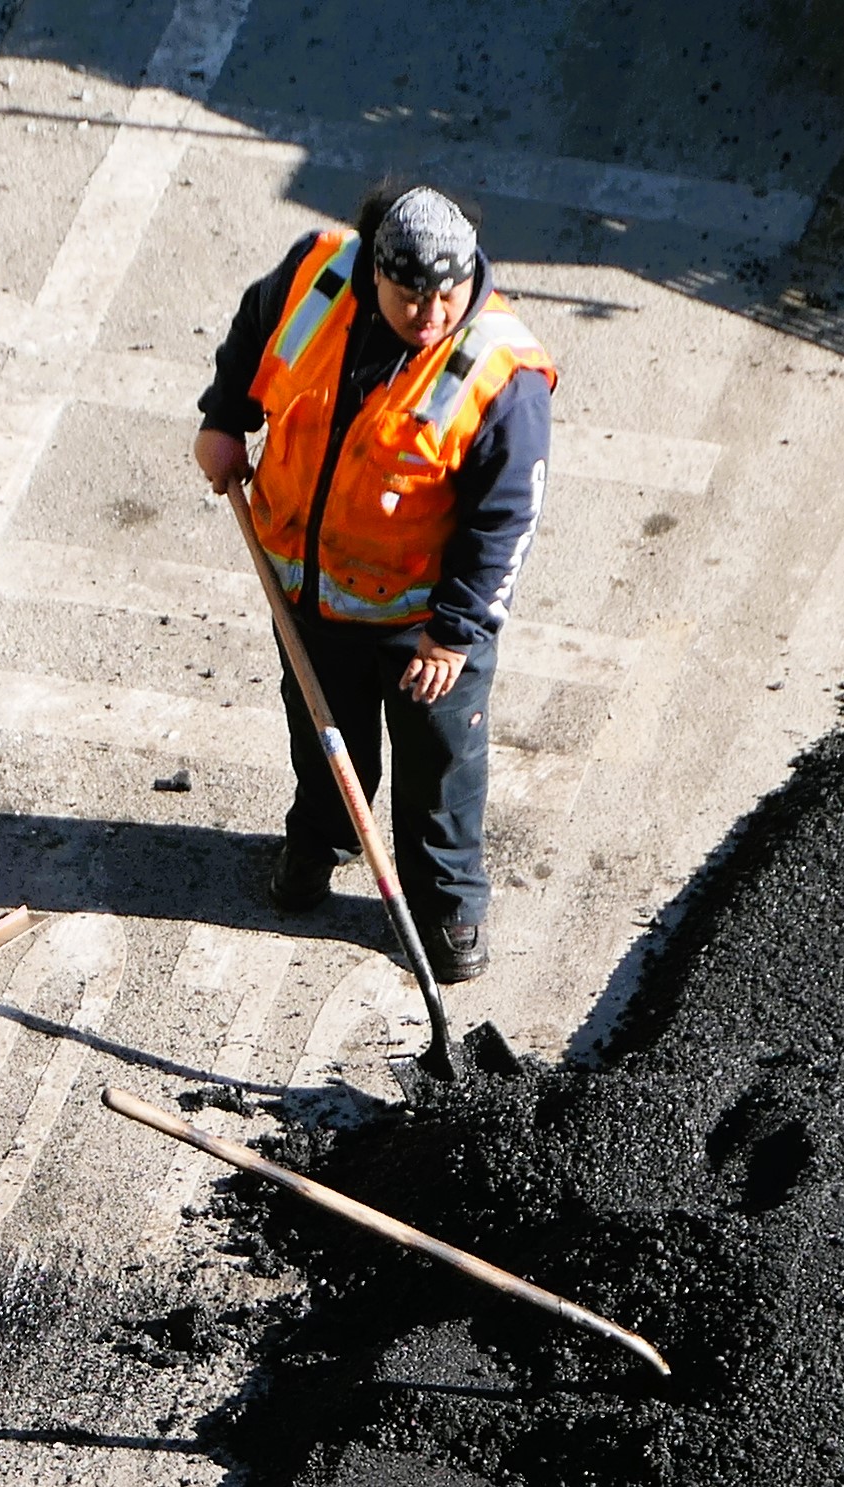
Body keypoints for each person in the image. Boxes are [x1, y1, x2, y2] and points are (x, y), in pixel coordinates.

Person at [192, 184, 553, 983]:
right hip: (311, 594)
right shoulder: (318, 275)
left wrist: (456, 632)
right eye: (410, 297)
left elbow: (506, 522)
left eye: (447, 296)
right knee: (323, 738)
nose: (430, 315)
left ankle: (447, 906)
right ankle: (323, 838)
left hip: (423, 625)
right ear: (375, 274)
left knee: (439, 768)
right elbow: (255, 334)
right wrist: (225, 416)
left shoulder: (500, 376)